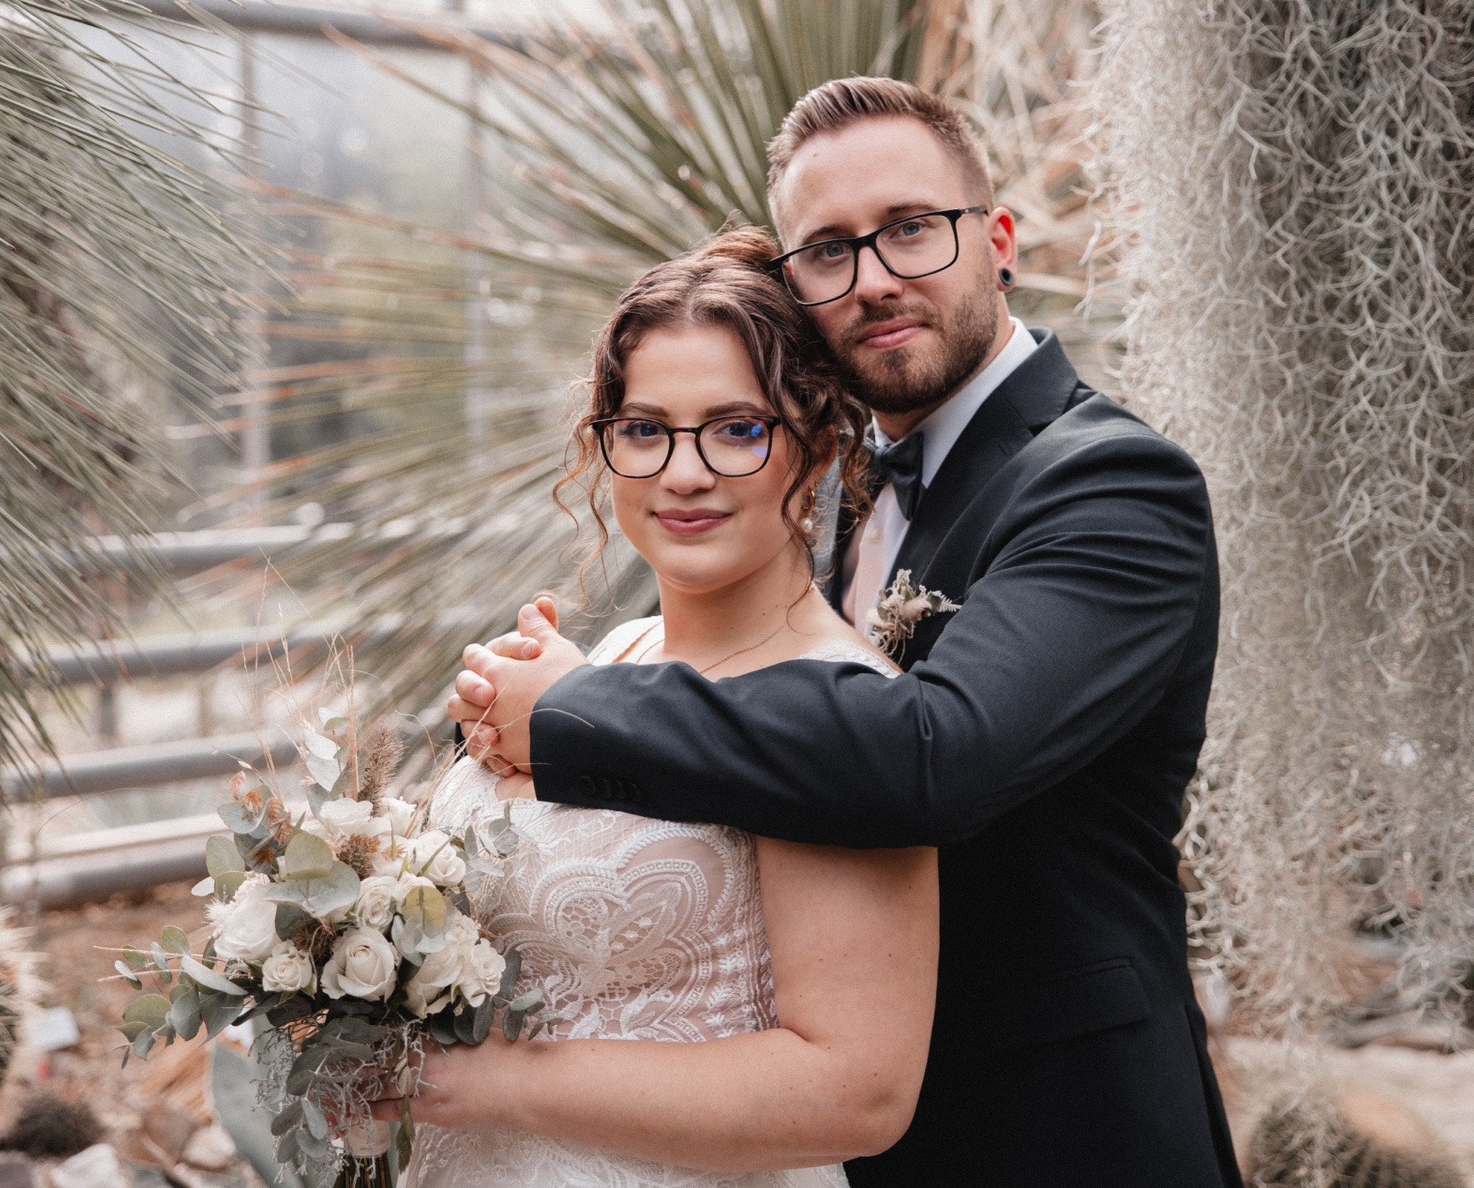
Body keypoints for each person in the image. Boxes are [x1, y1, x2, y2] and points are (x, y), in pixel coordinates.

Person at [449, 78, 1244, 1188]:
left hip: (1059, 1129)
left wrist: (576, 711)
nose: (873, 280)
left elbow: (936, 755)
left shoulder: (1111, 481)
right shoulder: (830, 483)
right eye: (828, 249)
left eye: (911, 228)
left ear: (998, 244)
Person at [386, 227, 940, 1187]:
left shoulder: (839, 715)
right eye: (645, 429)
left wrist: (478, 1084)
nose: (684, 473)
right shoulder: (607, 661)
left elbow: (854, 1093)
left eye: (737, 429)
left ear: (815, 451)